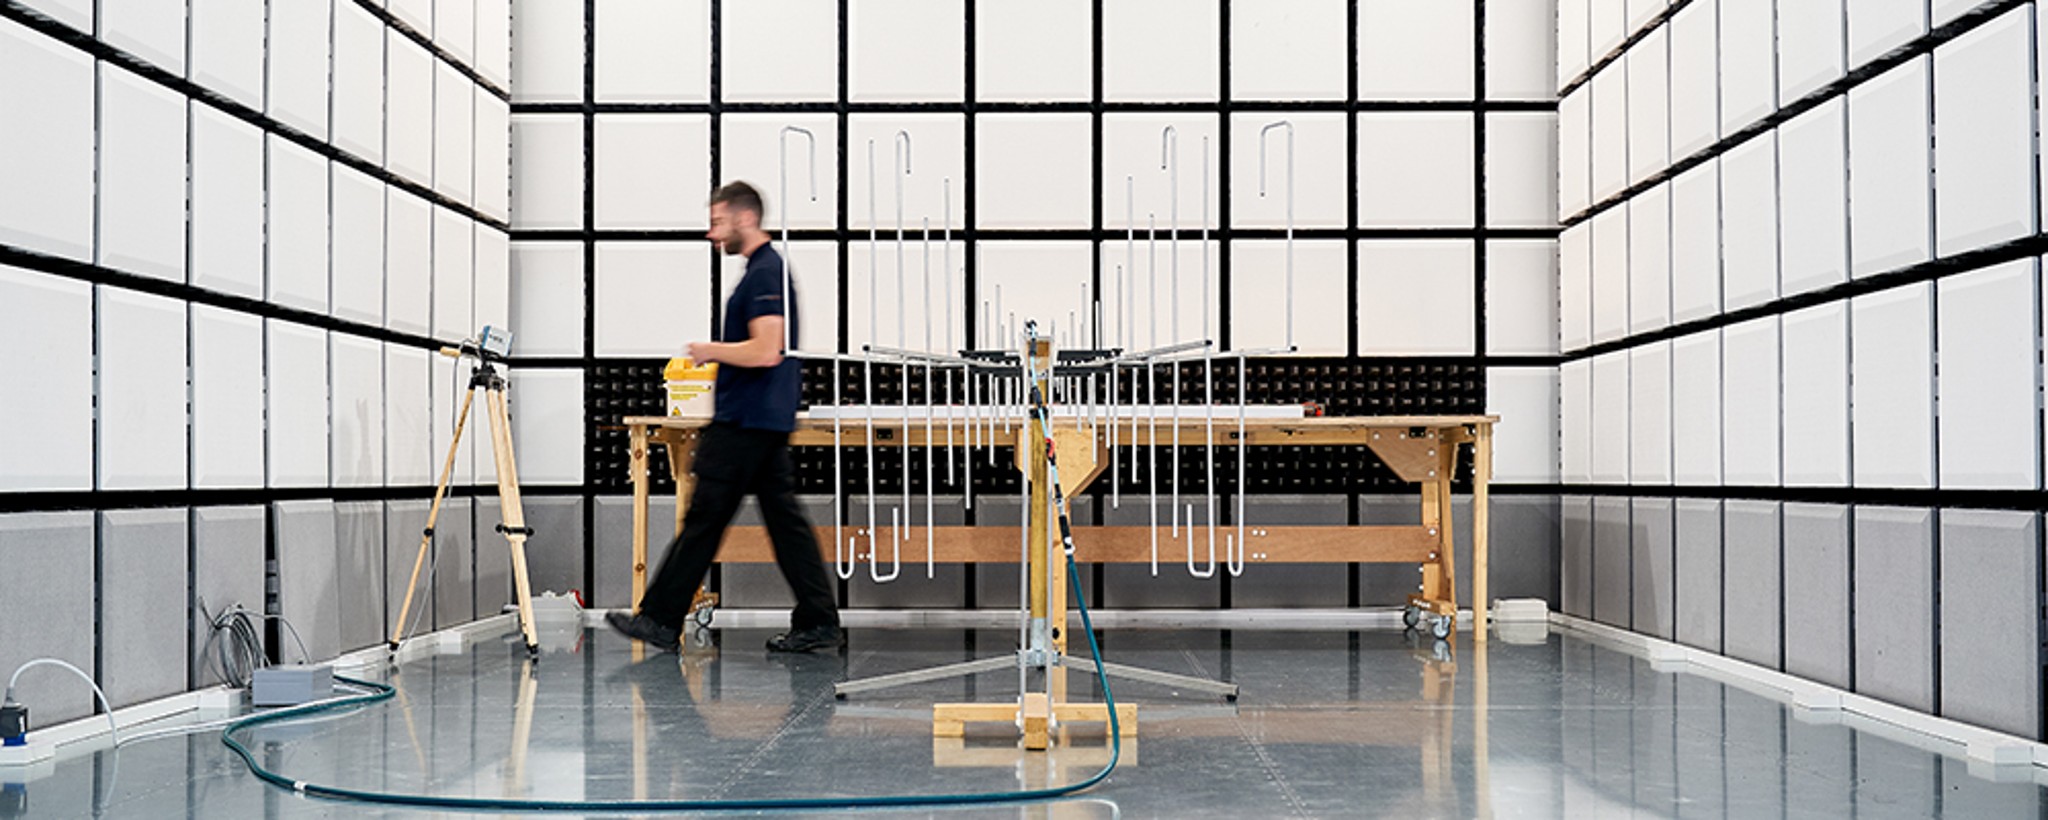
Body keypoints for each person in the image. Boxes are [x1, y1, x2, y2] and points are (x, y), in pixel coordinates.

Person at [606, 181, 843, 653]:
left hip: (747, 421)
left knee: (706, 519)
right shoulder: (762, 270)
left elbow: (767, 350)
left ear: (744, 218)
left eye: (717, 223)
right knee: (781, 523)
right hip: (759, 419)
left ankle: (659, 618)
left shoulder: (765, 273)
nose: (712, 234)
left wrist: (705, 351)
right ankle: (818, 620)